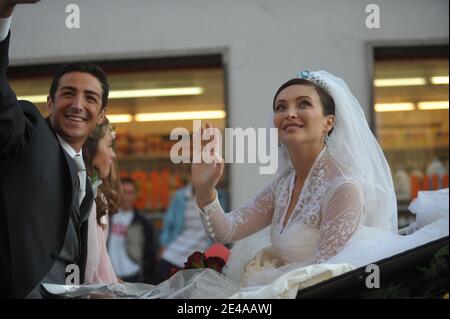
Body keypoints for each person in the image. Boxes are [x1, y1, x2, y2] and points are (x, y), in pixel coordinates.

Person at [43, 70, 448, 299]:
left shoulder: (344, 190)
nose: (288, 113)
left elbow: (328, 278)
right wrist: (206, 189)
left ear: (329, 122)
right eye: (280, 107)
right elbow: (228, 230)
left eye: (302, 104)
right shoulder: (285, 184)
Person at [0, 0, 109, 298]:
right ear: (49, 104)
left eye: (90, 98)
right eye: (68, 94)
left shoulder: (85, 175)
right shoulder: (27, 134)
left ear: (100, 115)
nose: (77, 105)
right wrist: (3, 13)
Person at [157, 181, 227, 282]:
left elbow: (224, 227)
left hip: (200, 261)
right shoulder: (180, 196)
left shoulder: (219, 196)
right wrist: (163, 247)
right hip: (173, 255)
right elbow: (169, 224)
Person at [83, 117, 120, 284]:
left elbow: (101, 261)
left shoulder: (100, 197)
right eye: (110, 145)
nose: (113, 155)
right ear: (91, 149)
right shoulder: (86, 196)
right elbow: (90, 273)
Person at [108, 177, 158, 284]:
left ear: (135, 195)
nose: (126, 197)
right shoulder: (107, 218)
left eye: (130, 193)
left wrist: (147, 279)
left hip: (133, 276)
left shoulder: (143, 223)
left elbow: (150, 254)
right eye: (123, 192)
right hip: (109, 275)